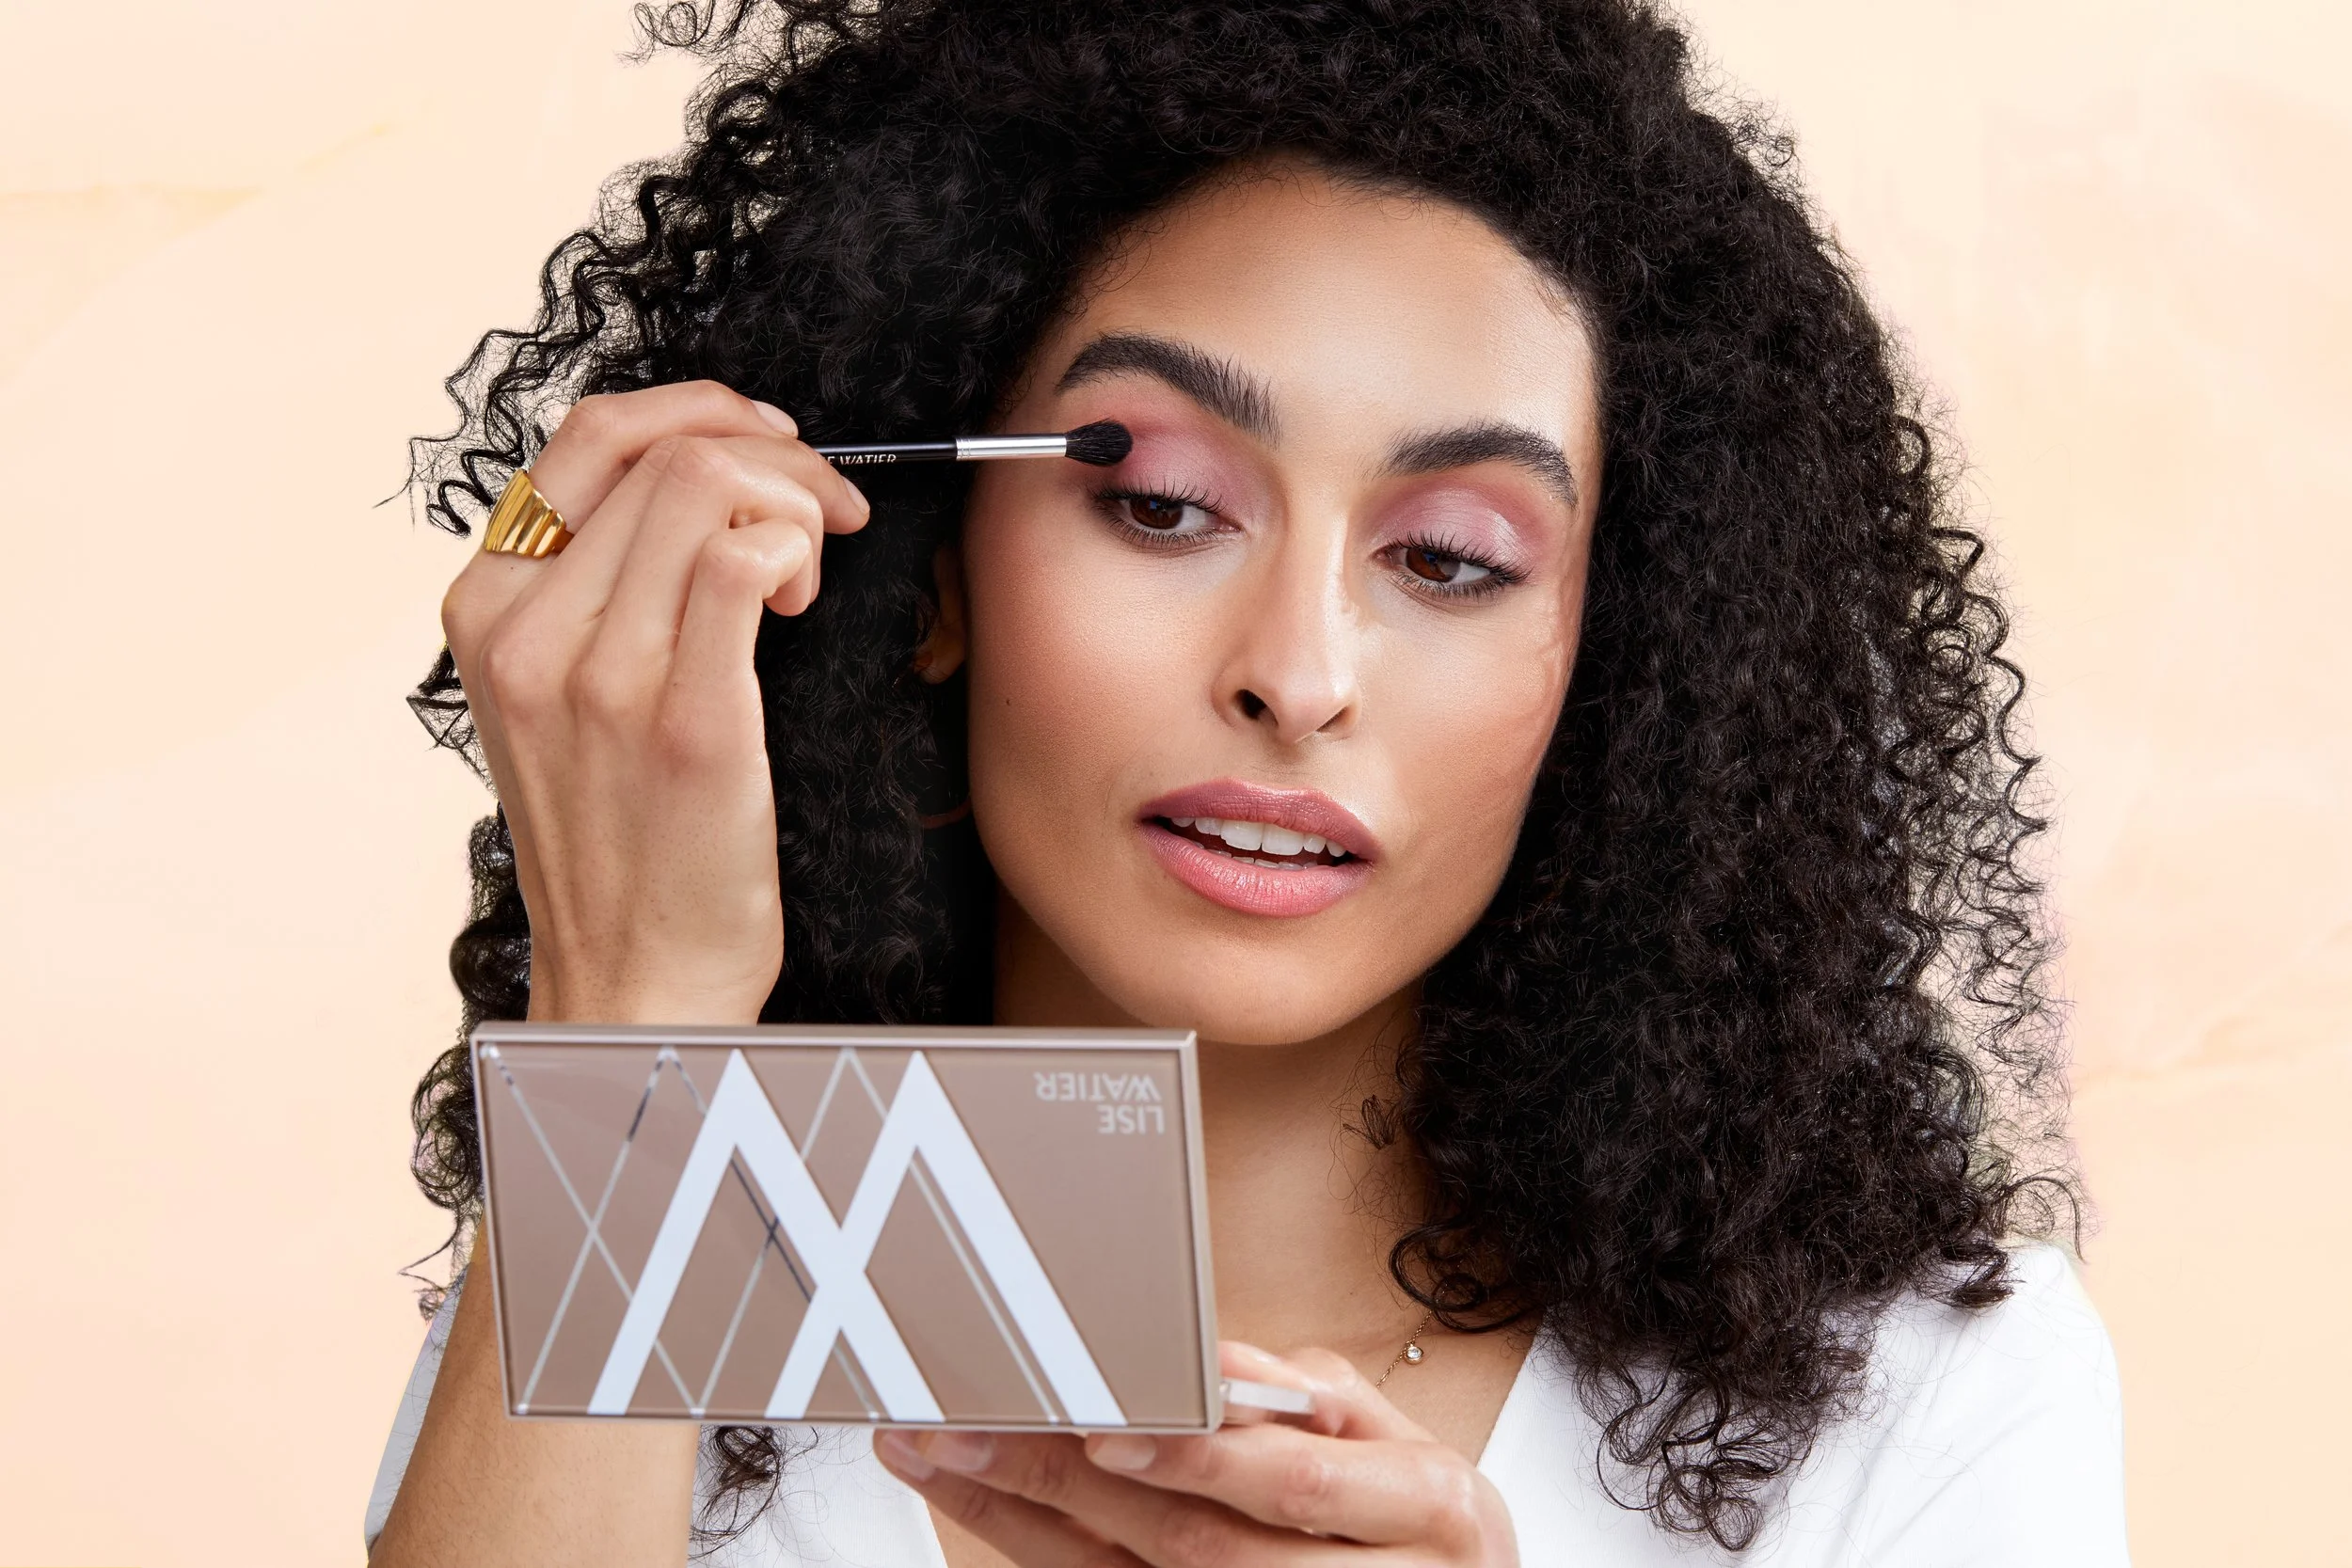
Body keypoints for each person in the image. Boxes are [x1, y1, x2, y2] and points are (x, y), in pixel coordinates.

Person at [366, 1, 2128, 1562]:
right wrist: (630, 1017)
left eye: (1449, 559)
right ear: (937, 573)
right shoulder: (642, 1269)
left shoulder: (1922, 1405)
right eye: (1160, 506)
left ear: (1616, 666)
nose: (1299, 670)